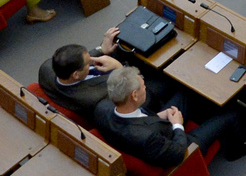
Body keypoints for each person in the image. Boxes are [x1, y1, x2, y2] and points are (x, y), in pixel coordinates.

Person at [94, 67, 241, 166]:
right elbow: (179, 152)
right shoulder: (148, 138)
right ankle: (239, 147)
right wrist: (178, 125)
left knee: (187, 91)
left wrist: (159, 116)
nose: (145, 87)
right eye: (143, 85)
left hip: (157, 126)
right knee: (232, 113)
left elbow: (136, 122)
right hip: (183, 145)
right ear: (134, 95)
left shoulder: (102, 108)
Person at [38, 28, 170, 121]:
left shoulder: (47, 68)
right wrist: (119, 68)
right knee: (167, 78)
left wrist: (101, 49)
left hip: (106, 75)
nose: (91, 60)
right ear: (76, 75)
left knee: (123, 46)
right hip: (139, 94)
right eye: (88, 62)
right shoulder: (95, 97)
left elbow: (74, 59)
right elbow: (132, 96)